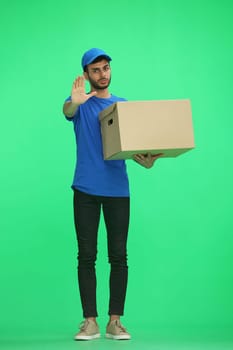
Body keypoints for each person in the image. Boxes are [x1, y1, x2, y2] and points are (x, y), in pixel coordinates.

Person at [62, 48, 162, 341]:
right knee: (86, 255)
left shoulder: (123, 106)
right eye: (95, 70)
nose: (102, 74)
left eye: (105, 68)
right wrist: (74, 103)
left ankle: (114, 322)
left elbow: (133, 148)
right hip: (85, 190)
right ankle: (90, 322)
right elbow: (66, 111)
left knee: (119, 256)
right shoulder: (78, 104)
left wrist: (146, 159)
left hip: (118, 191)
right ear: (86, 75)